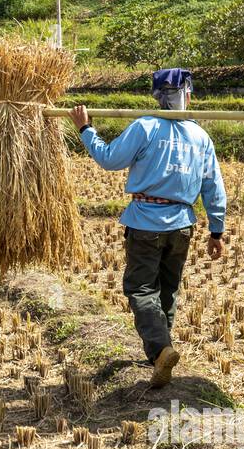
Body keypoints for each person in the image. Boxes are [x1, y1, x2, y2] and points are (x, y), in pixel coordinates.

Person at [69, 68, 227, 388]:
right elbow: (214, 187)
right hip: (182, 225)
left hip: (145, 222)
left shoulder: (145, 126)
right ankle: (159, 355)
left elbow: (110, 158)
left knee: (141, 289)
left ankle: (159, 350)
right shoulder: (200, 136)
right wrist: (216, 231)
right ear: (188, 96)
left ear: (157, 96)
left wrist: (85, 128)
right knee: (167, 289)